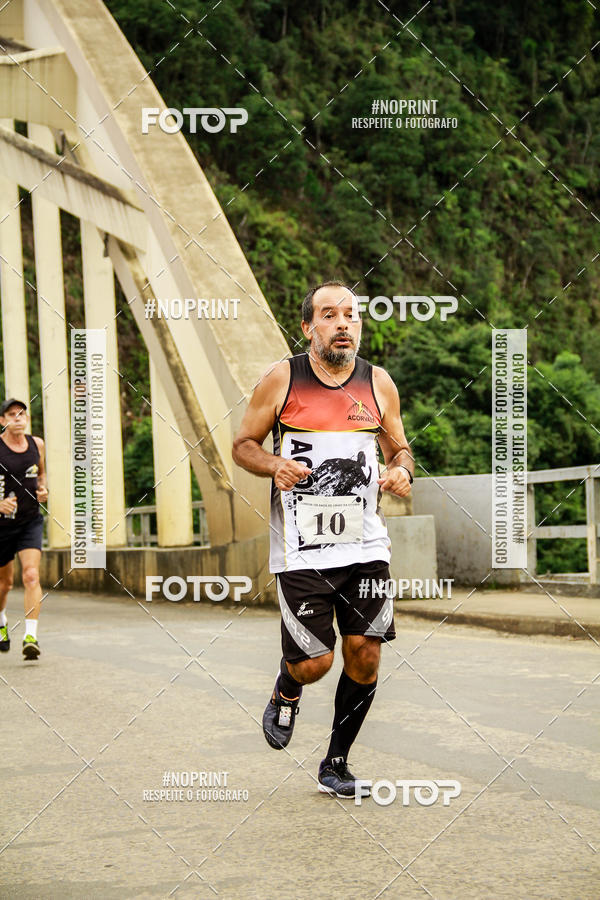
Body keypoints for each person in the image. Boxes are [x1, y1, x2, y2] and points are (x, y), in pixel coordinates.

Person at [232, 281, 414, 797]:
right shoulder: (281, 379)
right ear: (308, 326)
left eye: (351, 315)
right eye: (329, 315)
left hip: (366, 545)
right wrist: (273, 463)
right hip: (302, 549)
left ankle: (336, 762)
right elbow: (242, 445)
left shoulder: (378, 384)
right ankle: (287, 688)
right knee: (315, 663)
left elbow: (401, 450)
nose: (343, 324)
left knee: (366, 653)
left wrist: (402, 471)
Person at [0, 398, 48, 660]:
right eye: (11, 414)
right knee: (4, 585)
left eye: (22, 413)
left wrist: (43, 489)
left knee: (30, 575)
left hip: (29, 520)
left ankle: (31, 636)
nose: (18, 418)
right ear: (2, 421)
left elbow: (40, 474)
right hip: (1, 526)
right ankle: (1, 621)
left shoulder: (36, 444)